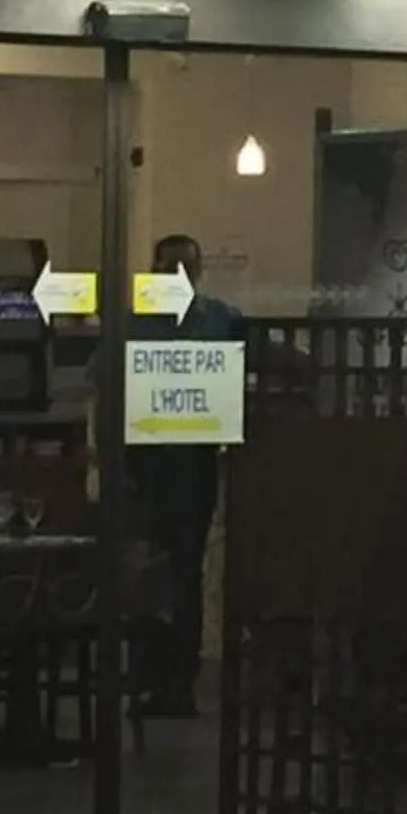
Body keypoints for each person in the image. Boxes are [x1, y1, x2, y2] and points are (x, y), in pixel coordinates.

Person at [126, 234, 241, 718]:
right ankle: (158, 681)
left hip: (189, 459)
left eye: (182, 267)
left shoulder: (221, 321)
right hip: (150, 460)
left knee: (178, 573)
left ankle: (176, 682)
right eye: (168, 266)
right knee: (157, 575)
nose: (175, 275)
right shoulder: (142, 322)